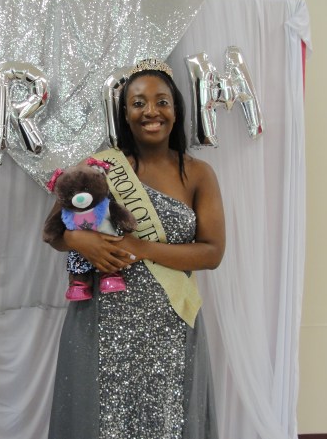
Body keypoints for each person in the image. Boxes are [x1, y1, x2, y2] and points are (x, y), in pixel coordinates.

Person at [45, 58, 225, 439]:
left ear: (176, 110)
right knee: (102, 419)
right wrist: (79, 239)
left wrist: (139, 247)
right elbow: (58, 230)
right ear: (124, 114)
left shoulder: (197, 173)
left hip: (171, 323)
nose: (151, 112)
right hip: (102, 318)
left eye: (161, 101)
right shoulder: (100, 168)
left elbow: (211, 253)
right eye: (138, 103)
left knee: (167, 421)